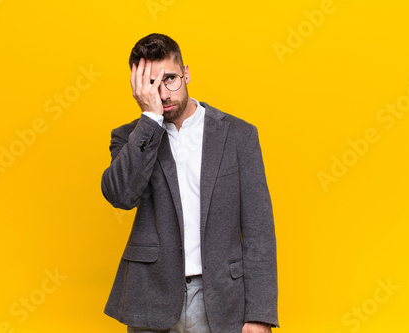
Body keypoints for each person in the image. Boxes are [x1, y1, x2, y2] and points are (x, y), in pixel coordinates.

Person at [101, 33, 279, 333]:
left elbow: (259, 229)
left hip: (221, 298)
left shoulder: (238, 135)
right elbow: (121, 195)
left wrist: (260, 313)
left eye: (170, 79)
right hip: (150, 296)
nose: (164, 94)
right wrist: (150, 120)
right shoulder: (131, 137)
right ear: (138, 90)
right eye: (151, 86)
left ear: (186, 73)